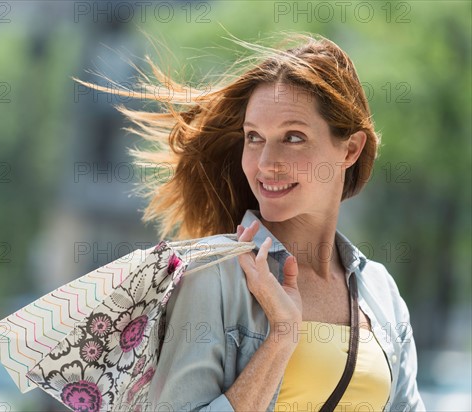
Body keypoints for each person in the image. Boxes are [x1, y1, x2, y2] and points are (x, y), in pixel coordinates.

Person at [76, 33, 425, 411]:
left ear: (351, 149)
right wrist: (281, 339)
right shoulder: (214, 275)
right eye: (254, 137)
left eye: (293, 137)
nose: (265, 162)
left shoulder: (380, 291)